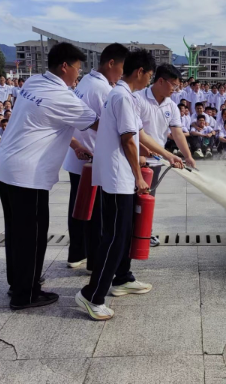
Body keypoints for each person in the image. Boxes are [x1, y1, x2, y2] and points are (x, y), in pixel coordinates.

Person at [0, 42, 98, 311]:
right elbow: (102, 124)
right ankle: (26, 294)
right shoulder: (63, 97)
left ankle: (18, 283)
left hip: (4, 167)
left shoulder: (34, 82)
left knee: (16, 231)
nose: (78, 75)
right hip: (28, 174)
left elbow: (42, 121)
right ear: (64, 66)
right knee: (33, 235)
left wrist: (74, 144)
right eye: (77, 69)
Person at [76, 49, 180, 321]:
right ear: (140, 72)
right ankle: (92, 295)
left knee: (118, 237)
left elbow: (140, 133)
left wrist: (168, 154)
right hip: (117, 178)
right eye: (149, 75)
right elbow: (129, 141)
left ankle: (110, 284)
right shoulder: (122, 97)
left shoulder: (124, 96)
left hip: (118, 176)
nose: (150, 80)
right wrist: (137, 177)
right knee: (114, 238)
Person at [62, 43, 129, 271]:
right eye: (122, 68)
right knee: (95, 214)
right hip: (91, 159)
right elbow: (113, 127)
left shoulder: (87, 82)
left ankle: (76, 253)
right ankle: (95, 261)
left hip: (78, 156)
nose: (123, 75)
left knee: (78, 209)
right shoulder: (104, 90)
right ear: (111, 64)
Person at [134, 63, 195, 246]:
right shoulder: (137, 99)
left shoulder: (171, 106)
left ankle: (145, 231)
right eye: (174, 85)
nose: (176, 90)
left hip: (157, 160)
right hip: (136, 158)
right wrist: (141, 152)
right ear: (161, 81)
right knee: (132, 198)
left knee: (148, 197)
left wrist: (188, 156)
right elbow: (133, 132)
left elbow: (177, 133)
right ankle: (131, 233)